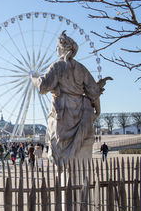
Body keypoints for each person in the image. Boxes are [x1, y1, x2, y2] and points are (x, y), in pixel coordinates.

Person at [31, 30, 111, 165]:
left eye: (57, 47)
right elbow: (94, 92)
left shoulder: (57, 66)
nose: (56, 49)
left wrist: (33, 77)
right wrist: (98, 110)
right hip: (81, 114)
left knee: (59, 149)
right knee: (81, 164)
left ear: (61, 48)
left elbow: (42, 87)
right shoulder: (81, 68)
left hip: (62, 114)